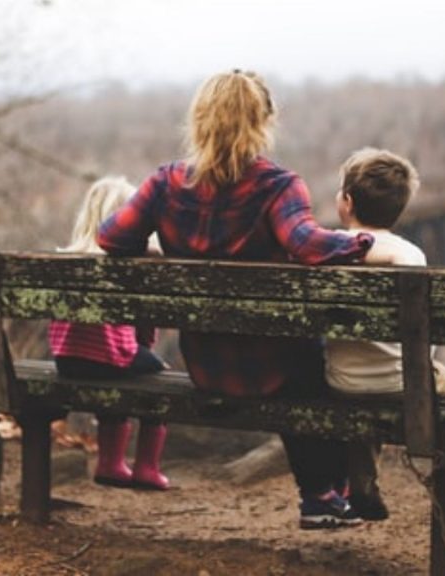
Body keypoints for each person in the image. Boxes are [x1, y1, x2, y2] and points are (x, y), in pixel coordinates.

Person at [97, 70, 373, 529]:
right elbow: (306, 243)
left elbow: (111, 237)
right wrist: (361, 242)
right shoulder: (278, 186)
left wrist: (153, 251)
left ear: (199, 120)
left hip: (206, 366)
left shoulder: (165, 184)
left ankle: (327, 494)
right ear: (264, 121)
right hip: (275, 368)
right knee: (315, 361)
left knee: (302, 357)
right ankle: (324, 494)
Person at [324, 147, 445, 539]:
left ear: (346, 202)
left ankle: (362, 482)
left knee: (361, 400)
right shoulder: (410, 255)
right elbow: (422, 336)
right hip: (405, 383)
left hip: (342, 382)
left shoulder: (328, 249)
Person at [49, 176, 171, 491]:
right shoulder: (129, 262)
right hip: (111, 358)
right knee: (158, 378)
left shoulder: (67, 259)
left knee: (118, 370)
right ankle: (145, 468)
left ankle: (111, 463)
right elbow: (143, 325)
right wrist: (144, 348)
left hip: (67, 360)